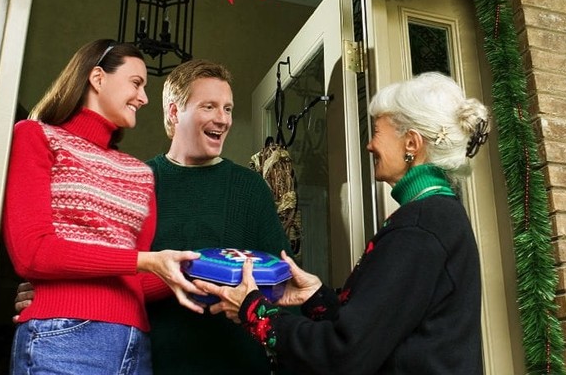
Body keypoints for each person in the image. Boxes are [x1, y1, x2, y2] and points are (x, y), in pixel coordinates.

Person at [197, 72, 489, 374]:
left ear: (411, 143)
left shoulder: (420, 226)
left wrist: (254, 312)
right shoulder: (438, 216)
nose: (369, 146)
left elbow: (344, 356)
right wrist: (317, 298)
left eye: (376, 131)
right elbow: (378, 331)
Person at [3, 39, 203, 374]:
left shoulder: (140, 174)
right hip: (62, 338)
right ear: (98, 78)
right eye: (136, 83)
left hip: (134, 345)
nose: (143, 98)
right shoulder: (37, 137)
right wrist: (145, 261)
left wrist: (199, 268)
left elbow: (135, 279)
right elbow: (32, 252)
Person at [145, 59, 293, 374]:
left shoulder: (249, 188)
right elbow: (112, 265)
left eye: (227, 108)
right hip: (153, 362)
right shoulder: (138, 180)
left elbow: (285, 279)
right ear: (174, 112)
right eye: (209, 106)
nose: (223, 119)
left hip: (237, 364)